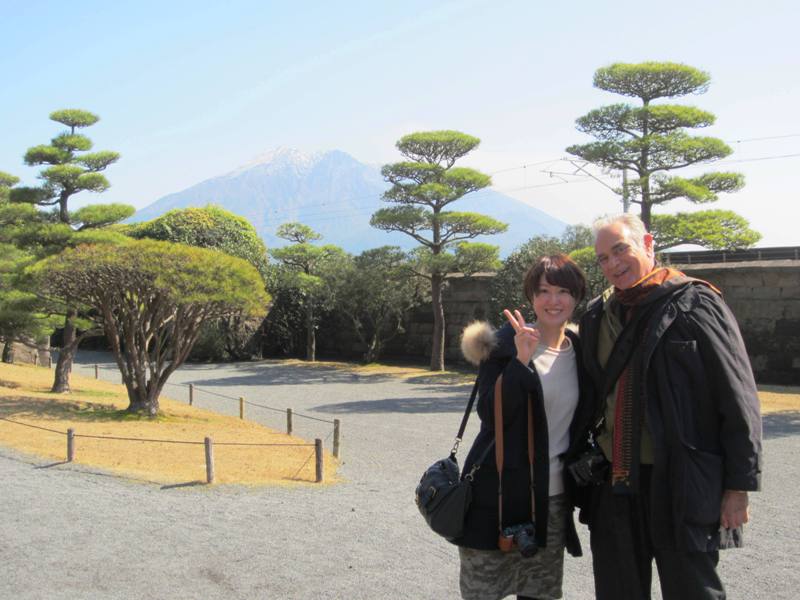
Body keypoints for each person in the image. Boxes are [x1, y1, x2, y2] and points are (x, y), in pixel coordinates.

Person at [579, 213, 762, 600]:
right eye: (602, 259)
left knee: (693, 591)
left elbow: (737, 395)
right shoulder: (598, 315)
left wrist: (738, 487)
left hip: (681, 480)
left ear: (648, 244)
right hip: (614, 483)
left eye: (620, 250)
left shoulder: (696, 303)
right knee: (617, 591)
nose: (612, 264)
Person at [456, 254, 595, 600]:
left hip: (551, 501)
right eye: (543, 291)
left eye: (563, 291)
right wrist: (520, 361)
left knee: (541, 594)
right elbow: (490, 415)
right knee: (483, 592)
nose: (553, 300)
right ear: (531, 297)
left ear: (577, 297)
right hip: (497, 495)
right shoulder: (504, 345)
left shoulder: (580, 350)